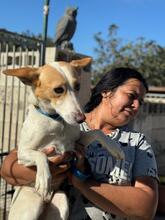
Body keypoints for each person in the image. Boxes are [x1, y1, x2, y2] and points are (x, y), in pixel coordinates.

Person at [1, 67, 159, 220]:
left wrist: (82, 183)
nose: (136, 105)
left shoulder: (137, 142)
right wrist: (51, 169)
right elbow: (9, 169)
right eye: (132, 96)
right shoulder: (63, 120)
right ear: (106, 92)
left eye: (141, 101)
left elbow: (145, 208)